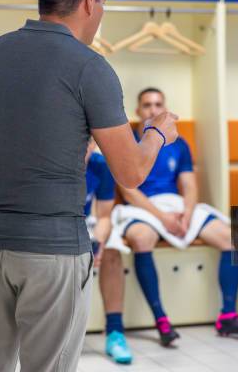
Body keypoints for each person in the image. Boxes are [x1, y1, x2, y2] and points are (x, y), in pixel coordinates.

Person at [0, 0, 178, 370]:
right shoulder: (89, 67)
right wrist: (157, 133)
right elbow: (131, 172)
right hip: (51, 248)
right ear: (89, 2)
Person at [107, 87, 238, 347]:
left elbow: (189, 184)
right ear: (137, 111)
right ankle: (161, 320)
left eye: (158, 105)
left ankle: (228, 315)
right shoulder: (128, 142)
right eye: (147, 105)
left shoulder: (179, 143)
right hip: (143, 208)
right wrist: (163, 217)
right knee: (141, 238)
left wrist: (187, 213)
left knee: (231, 237)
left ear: (165, 109)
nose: (153, 110)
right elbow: (129, 192)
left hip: (175, 205)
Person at [83, 140, 132, 365]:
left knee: (112, 249)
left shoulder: (100, 164)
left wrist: (98, 244)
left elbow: (104, 216)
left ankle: (115, 332)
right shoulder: (51, 162)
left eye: (88, 140)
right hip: (47, 224)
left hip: (81, 222)